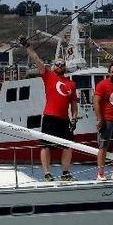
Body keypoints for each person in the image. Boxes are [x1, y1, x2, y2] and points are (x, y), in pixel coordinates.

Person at [21, 36, 78, 181]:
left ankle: (65, 173)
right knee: (46, 146)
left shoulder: (71, 84)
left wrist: (74, 118)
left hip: (64, 119)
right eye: (57, 64)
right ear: (53, 66)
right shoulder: (48, 76)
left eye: (62, 64)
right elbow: (37, 59)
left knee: (67, 145)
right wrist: (28, 46)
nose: (59, 66)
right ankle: (47, 173)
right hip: (50, 117)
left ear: (65, 67)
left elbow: (73, 105)